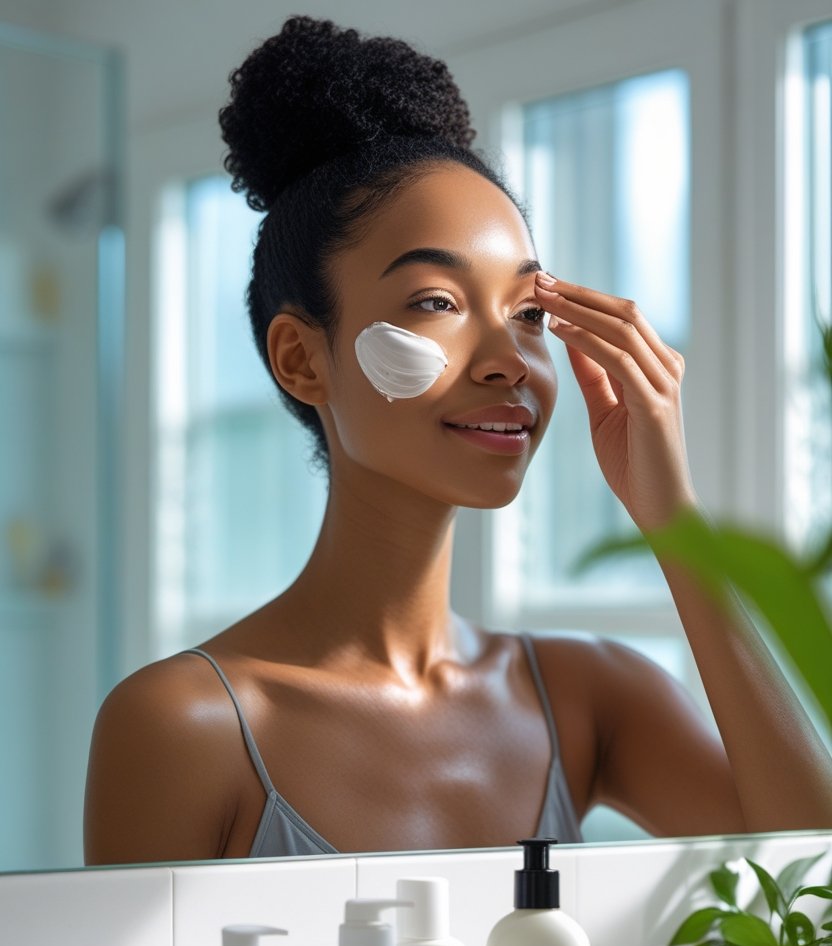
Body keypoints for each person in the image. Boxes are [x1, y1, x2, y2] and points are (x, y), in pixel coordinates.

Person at [84, 16, 832, 865]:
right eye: (436, 302)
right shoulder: (184, 725)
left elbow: (813, 883)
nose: (509, 359)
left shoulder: (590, 697)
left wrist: (677, 524)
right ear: (301, 359)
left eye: (529, 314)